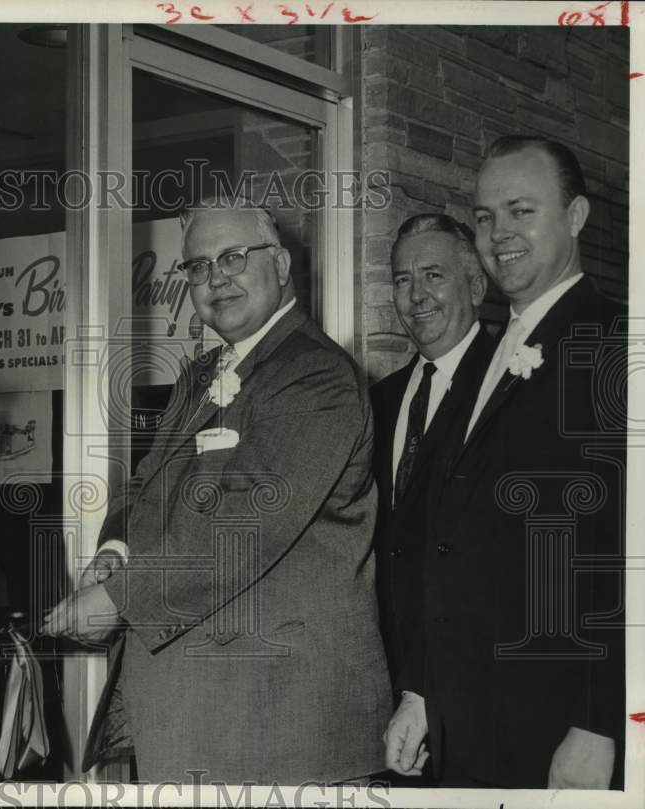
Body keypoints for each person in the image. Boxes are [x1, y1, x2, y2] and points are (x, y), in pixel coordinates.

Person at [45, 199, 391, 785]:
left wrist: (120, 599)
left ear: (281, 265)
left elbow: (244, 523)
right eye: (198, 267)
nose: (215, 279)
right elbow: (143, 484)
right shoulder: (198, 376)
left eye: (232, 257)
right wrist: (115, 555)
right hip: (199, 721)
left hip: (279, 728)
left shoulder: (315, 375)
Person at [384, 137, 626, 789]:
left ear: (575, 216)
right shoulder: (484, 357)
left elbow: (625, 558)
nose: (499, 234)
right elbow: (456, 542)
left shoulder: (613, 345)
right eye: (486, 217)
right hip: (469, 725)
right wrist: (422, 692)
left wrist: (602, 723)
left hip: (558, 731)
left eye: (521, 211)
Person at [371, 214, 494, 683]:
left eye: (433, 276)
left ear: (476, 288)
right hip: (392, 677)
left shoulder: (512, 389)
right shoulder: (379, 402)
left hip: (479, 679)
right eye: (403, 280)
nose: (416, 295)